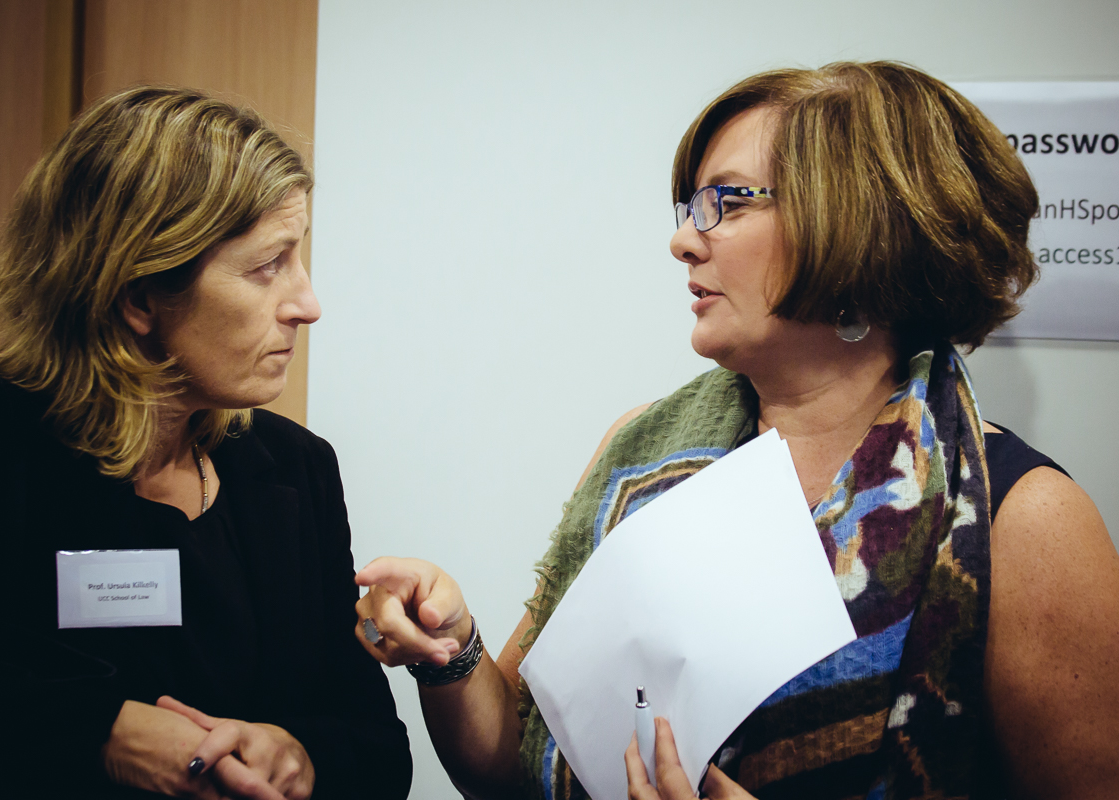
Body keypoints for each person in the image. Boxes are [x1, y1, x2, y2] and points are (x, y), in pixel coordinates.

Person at [352, 62, 1119, 800]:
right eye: (690, 206)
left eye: (728, 201)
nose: (685, 240)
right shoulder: (638, 458)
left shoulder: (1027, 518)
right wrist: (451, 648)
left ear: (858, 221)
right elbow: (511, 760)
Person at [0, 86, 411, 800]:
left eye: (299, 258)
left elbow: (379, 753)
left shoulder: (297, 469)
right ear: (137, 297)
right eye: (267, 267)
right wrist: (96, 733)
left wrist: (300, 757)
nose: (307, 304)